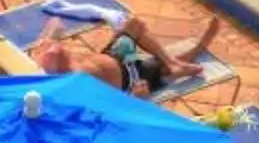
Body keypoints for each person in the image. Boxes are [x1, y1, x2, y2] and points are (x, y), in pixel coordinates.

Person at [29, 10, 221, 99]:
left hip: (113, 55)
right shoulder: (69, 86)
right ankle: (196, 49)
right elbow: (106, 110)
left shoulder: (45, 55)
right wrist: (137, 99)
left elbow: (56, 24)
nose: (56, 46)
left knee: (134, 24)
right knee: (161, 69)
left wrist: (48, 33)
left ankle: (170, 62)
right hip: (131, 78)